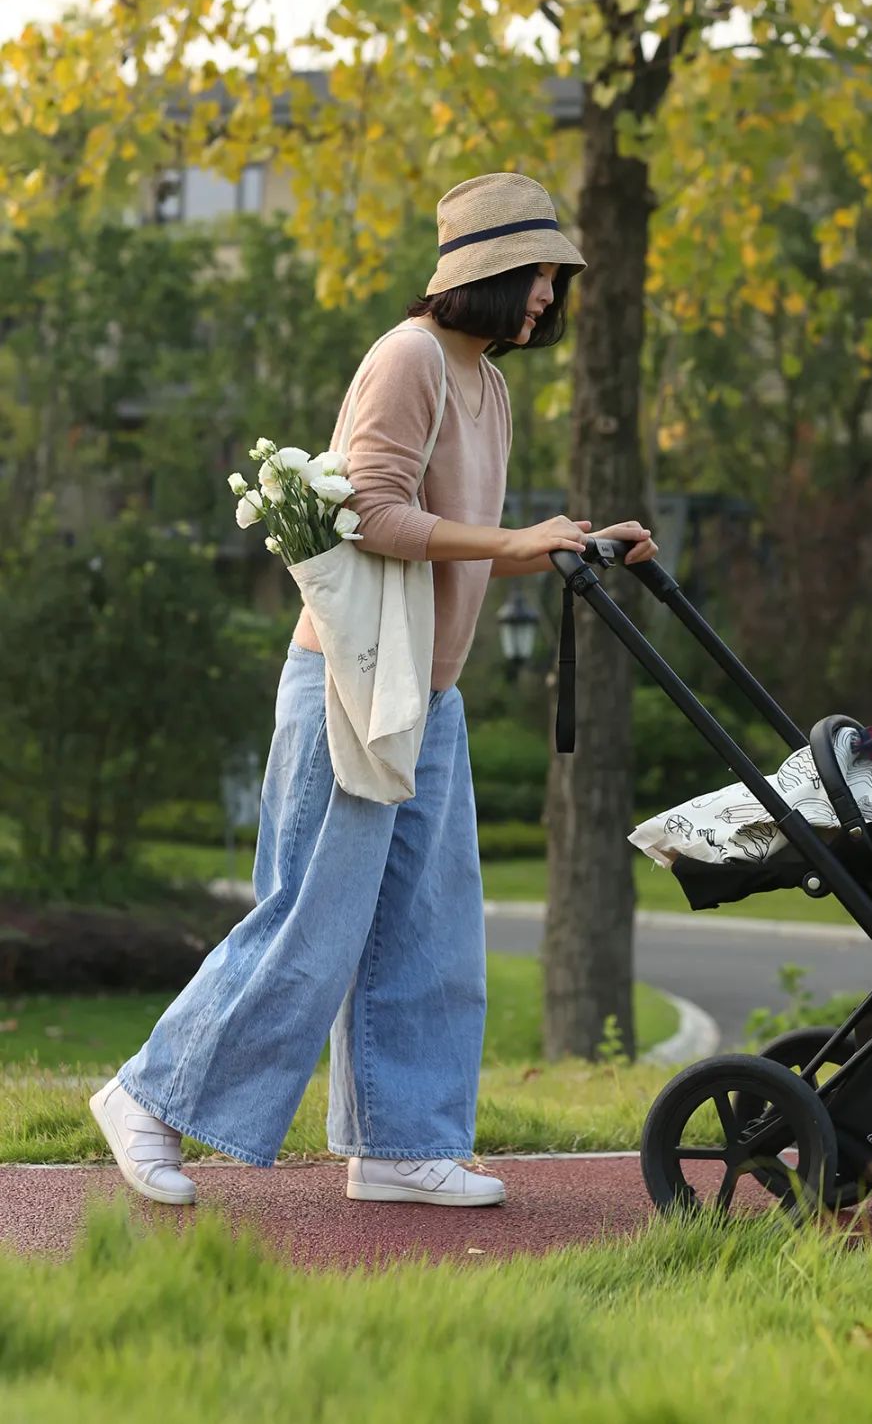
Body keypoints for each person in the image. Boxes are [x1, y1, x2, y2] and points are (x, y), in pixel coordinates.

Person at [89, 172, 659, 1209]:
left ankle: (401, 1142)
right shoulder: (408, 361)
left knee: (428, 925)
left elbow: (468, 552)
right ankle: (147, 1096)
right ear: (482, 271)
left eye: (554, 277)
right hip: (348, 685)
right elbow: (373, 516)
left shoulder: (485, 382)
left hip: (426, 696)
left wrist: (577, 541)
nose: (547, 295)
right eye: (535, 272)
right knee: (313, 921)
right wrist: (511, 537)